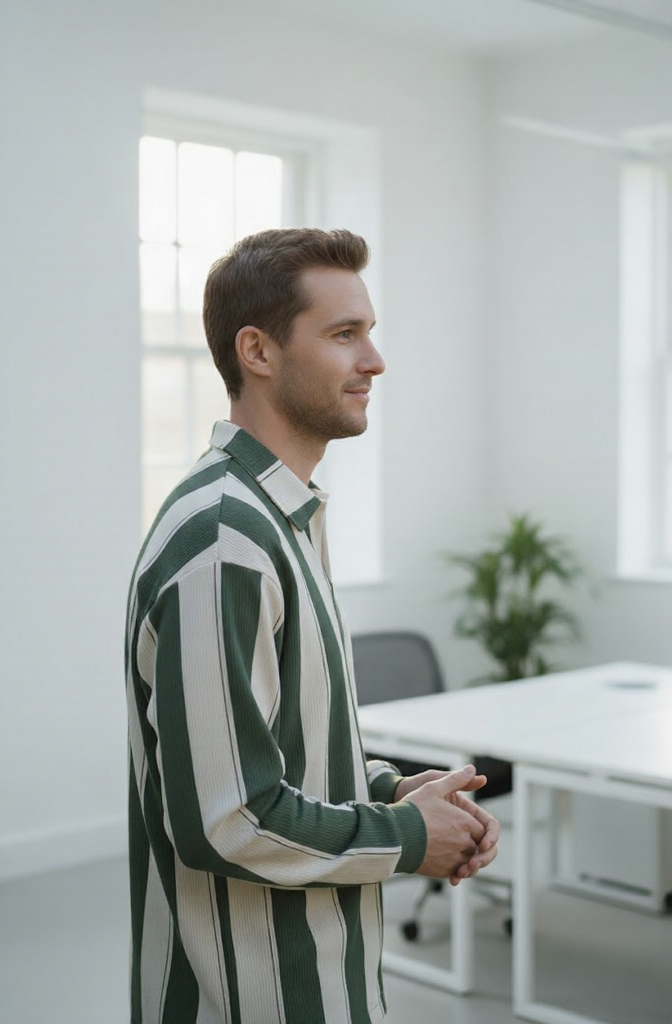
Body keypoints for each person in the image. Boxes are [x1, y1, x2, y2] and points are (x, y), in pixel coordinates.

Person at [125, 227, 500, 1024]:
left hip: (323, 978)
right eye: (344, 335)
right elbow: (228, 818)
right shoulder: (225, 540)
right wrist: (405, 837)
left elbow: (278, 747)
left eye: (369, 331)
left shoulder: (280, 517)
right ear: (257, 351)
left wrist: (399, 792)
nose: (375, 360)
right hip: (250, 999)